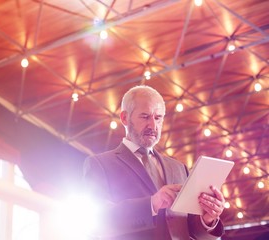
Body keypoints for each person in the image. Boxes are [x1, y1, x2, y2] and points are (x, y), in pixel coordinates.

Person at [83, 85, 225, 240]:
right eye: (145, 117)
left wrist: (208, 219)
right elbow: (98, 220)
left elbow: (194, 232)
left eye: (158, 118)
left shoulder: (179, 168)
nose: (152, 125)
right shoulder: (100, 164)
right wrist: (151, 204)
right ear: (124, 118)